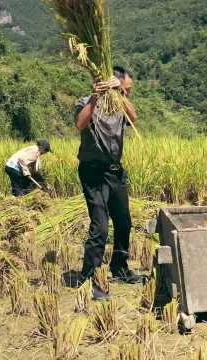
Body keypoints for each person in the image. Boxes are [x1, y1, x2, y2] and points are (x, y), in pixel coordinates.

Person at [75, 66, 141, 300]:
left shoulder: (120, 103)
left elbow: (134, 117)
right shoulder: (86, 101)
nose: (128, 93)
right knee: (100, 227)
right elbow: (80, 124)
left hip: (115, 172)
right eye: (127, 89)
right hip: (93, 173)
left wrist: (120, 95)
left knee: (124, 223)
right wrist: (95, 96)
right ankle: (87, 278)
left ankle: (119, 267)